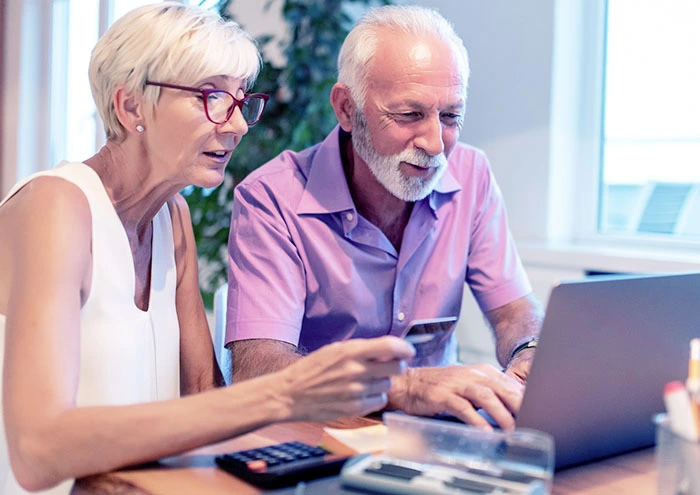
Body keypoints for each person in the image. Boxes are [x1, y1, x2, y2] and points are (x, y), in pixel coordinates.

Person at [0, 4, 415, 494]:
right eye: (212, 97)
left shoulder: (171, 217)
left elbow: (203, 394)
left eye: (241, 101)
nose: (238, 125)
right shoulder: (56, 205)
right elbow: (37, 452)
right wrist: (283, 392)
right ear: (131, 106)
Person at [226, 5, 544, 431]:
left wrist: (529, 349)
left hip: (436, 440)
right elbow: (259, 369)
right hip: (319, 438)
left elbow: (513, 311)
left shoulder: (473, 174)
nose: (434, 143)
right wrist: (403, 388)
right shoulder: (271, 199)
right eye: (409, 115)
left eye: (450, 116)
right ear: (345, 108)